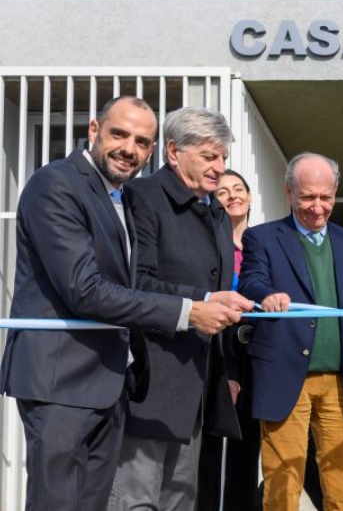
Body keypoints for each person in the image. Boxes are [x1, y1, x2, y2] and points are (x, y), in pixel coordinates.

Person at [0, 96, 240, 511]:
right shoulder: (56, 184)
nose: (129, 149)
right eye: (119, 134)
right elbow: (84, 290)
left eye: (141, 142)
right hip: (59, 380)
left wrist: (203, 300)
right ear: (94, 130)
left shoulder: (119, 196)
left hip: (110, 381)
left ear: (153, 150)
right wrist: (188, 311)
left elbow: (125, 284)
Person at [108, 107, 253, 511]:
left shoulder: (216, 211)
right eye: (209, 156)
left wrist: (227, 371)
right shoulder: (142, 198)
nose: (219, 167)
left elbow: (220, 294)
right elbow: (136, 283)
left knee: (181, 503)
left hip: (198, 385)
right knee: (136, 502)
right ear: (173, 152)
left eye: (223, 157)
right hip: (149, 383)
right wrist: (201, 301)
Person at [238, 152, 343, 511]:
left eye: (326, 197)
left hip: (342, 382)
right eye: (308, 197)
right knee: (282, 489)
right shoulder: (262, 238)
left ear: (335, 192)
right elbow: (251, 279)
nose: (318, 207)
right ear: (288, 192)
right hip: (284, 376)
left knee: (342, 493)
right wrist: (266, 295)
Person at [216, 169, 325, 511]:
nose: (233, 195)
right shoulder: (213, 247)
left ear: (250, 196)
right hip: (231, 352)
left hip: (271, 352)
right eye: (222, 191)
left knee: (296, 446)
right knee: (243, 447)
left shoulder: (268, 240)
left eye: (239, 189)